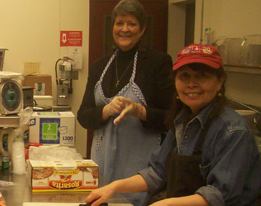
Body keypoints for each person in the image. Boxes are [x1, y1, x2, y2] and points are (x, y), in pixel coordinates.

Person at [84, 44, 261, 206]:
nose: (192, 84)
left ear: (220, 81)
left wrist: (167, 204)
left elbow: (219, 195)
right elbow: (158, 173)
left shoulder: (233, 131)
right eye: (184, 76)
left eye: (202, 76)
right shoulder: (181, 121)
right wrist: (114, 187)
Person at [77, 0, 174, 204]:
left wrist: (138, 110)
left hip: (139, 168)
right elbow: (84, 116)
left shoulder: (158, 63)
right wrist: (106, 110)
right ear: (113, 27)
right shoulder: (99, 67)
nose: (125, 29)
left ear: (142, 29)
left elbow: (170, 118)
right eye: (119, 23)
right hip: (101, 164)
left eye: (131, 24)